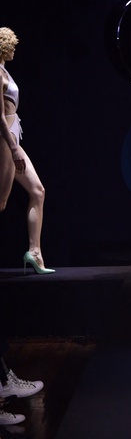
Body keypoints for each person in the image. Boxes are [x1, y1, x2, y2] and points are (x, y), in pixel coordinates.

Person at [0, 26, 54, 274]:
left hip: (13, 137)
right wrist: (13, 148)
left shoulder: (4, 70)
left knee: (37, 191)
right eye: (11, 46)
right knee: (1, 202)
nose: (14, 50)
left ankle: (35, 252)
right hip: (5, 140)